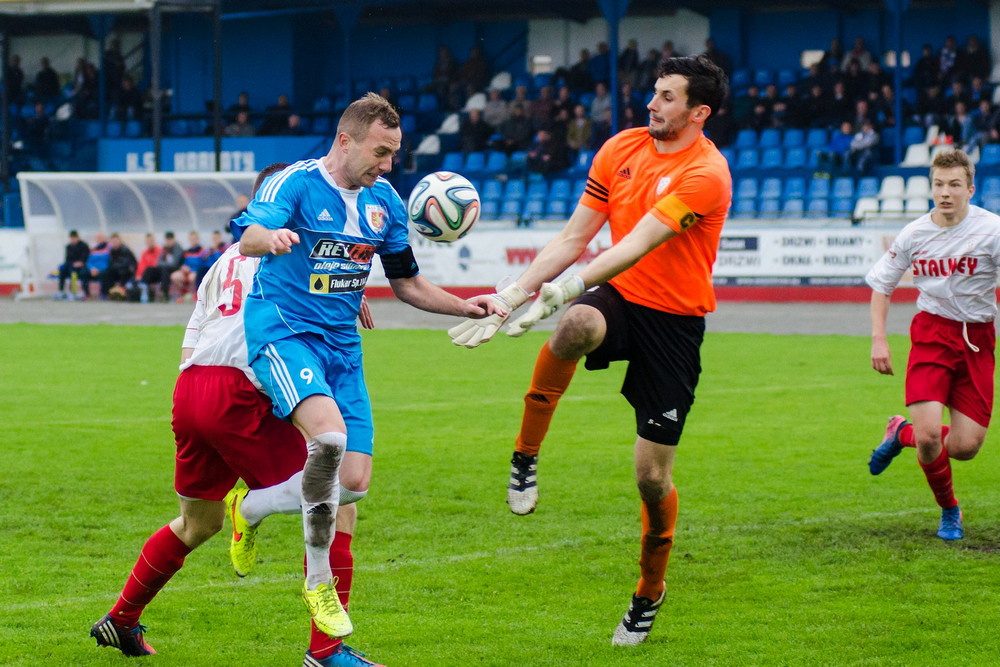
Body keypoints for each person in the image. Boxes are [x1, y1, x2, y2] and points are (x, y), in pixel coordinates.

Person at [447, 55, 731, 646]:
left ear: (699, 112)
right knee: (576, 324)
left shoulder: (707, 173)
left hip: (675, 323)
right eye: (654, 93)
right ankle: (525, 457)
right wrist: (512, 295)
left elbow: (642, 241)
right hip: (623, 298)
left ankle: (649, 592)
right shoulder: (620, 148)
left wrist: (569, 284)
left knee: (652, 478)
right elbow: (576, 236)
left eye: (668, 97)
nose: (652, 104)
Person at [230, 93, 502, 641]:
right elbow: (249, 235)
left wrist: (468, 303)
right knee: (327, 442)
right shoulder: (296, 184)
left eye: (395, 153)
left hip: (342, 349)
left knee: (352, 484)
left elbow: (406, 284)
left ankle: (252, 505)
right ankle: (318, 581)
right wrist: (273, 238)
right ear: (345, 140)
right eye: (381, 151)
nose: (388, 164)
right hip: (284, 332)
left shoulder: (386, 202)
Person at [90, 163, 385, 667]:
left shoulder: (225, 258)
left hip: (192, 390)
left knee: (194, 523)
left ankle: (120, 620)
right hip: (243, 390)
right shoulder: (288, 249)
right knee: (340, 498)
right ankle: (326, 653)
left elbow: (197, 328)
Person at [866, 148, 1000, 542]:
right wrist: (879, 339)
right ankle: (949, 511)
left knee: (965, 447)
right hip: (932, 334)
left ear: (970, 189)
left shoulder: (992, 231)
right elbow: (881, 285)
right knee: (930, 438)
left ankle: (899, 432)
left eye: (954, 185)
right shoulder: (914, 233)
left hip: (977, 339)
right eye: (938, 185)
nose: (945, 192)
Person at [102, 233, 138, 300]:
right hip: (117, 270)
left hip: (126, 271)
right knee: (106, 273)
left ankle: (122, 292)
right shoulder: (112, 251)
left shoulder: (125, 250)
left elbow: (126, 263)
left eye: (116, 241)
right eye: (113, 241)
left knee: (122, 272)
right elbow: (110, 263)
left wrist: (115, 266)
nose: (114, 243)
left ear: (120, 241)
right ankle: (107, 293)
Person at [57, 229, 90, 299]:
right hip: (71, 265)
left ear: (78, 238)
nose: (73, 239)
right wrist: (72, 264)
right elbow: (67, 259)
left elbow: (85, 257)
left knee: (73, 272)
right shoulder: (68, 247)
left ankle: (73, 291)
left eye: (74, 238)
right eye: (71, 238)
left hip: (81, 266)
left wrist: (81, 262)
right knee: (62, 268)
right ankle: (61, 290)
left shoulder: (83, 246)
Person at [134, 233, 161, 301]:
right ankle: (140, 289)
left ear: (154, 241)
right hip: (147, 275)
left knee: (149, 269)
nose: (150, 243)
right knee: (135, 276)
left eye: (151, 241)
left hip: (157, 273)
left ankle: (143, 288)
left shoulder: (160, 251)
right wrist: (138, 275)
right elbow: (141, 265)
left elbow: (157, 264)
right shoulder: (144, 252)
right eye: (148, 241)